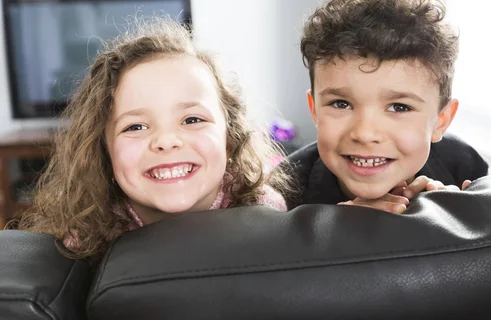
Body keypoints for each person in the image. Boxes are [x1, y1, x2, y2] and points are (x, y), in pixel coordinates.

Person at [17, 18, 291, 262]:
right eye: (135, 126)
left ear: (230, 137)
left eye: (192, 120)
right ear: (104, 151)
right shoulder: (86, 240)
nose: (166, 140)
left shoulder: (265, 215)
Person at [284, 0, 488, 212]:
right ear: (315, 110)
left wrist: (459, 224)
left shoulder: (463, 165)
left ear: (441, 120)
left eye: (399, 107)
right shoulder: (282, 196)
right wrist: (340, 233)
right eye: (341, 104)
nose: (365, 134)